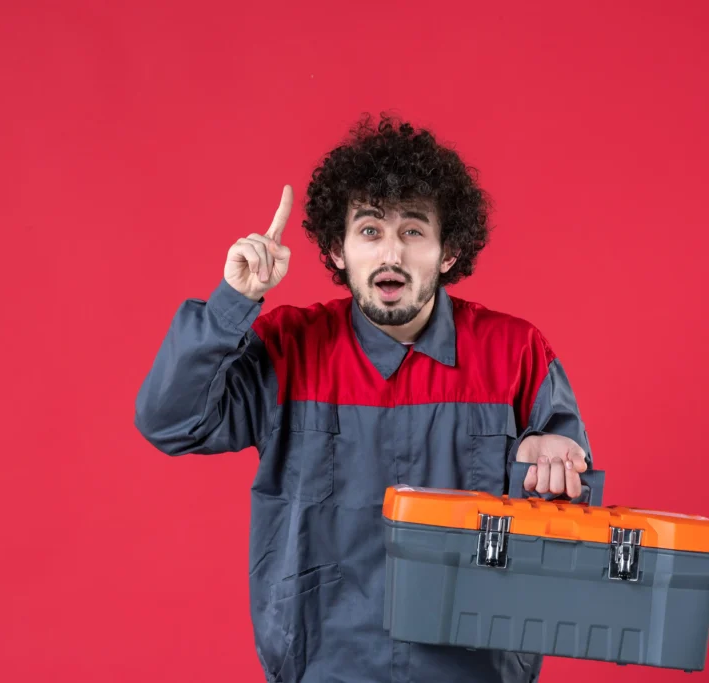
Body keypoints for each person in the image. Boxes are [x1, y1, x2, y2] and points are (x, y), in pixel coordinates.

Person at [134, 113, 595, 683]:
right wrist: (233, 300)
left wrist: (555, 461)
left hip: (474, 669)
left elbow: (569, 518)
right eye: (371, 230)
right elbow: (171, 421)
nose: (391, 254)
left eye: (414, 231)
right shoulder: (286, 348)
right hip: (325, 666)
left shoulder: (517, 352)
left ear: (447, 253)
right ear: (337, 249)